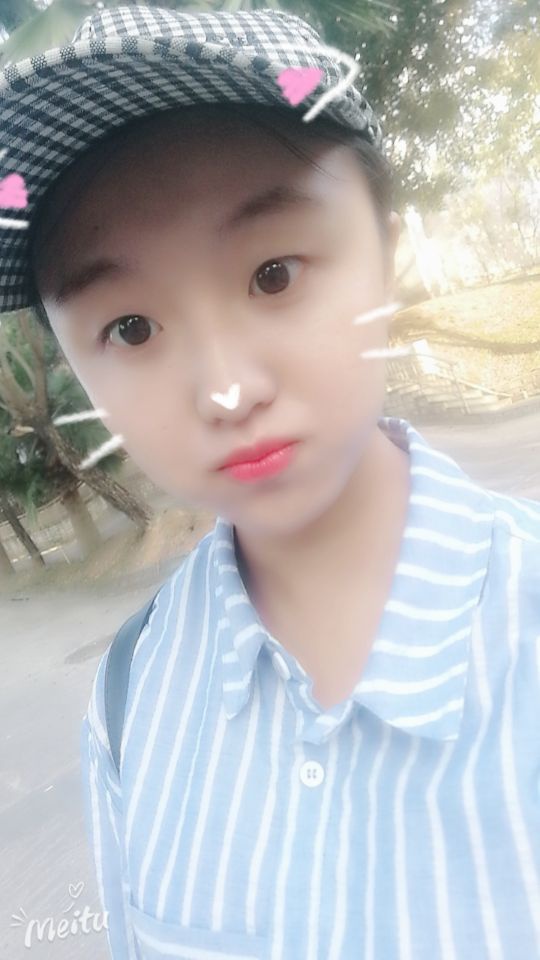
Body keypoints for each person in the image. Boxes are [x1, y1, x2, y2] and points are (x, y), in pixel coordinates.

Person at [1, 5, 539, 959]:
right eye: (131, 329)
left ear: (386, 251)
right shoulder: (128, 702)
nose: (226, 389)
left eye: (274, 275)